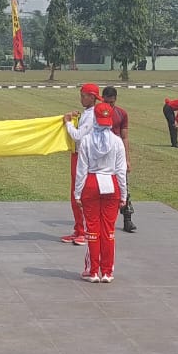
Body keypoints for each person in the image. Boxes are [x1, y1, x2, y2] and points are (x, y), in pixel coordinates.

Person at [71, 101, 128, 283]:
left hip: (92, 183)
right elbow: (121, 171)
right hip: (111, 184)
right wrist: (124, 195)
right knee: (108, 231)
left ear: (95, 118)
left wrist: (77, 193)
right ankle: (107, 272)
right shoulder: (117, 141)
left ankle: (93, 270)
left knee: (92, 230)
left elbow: (81, 169)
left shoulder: (87, 140)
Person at [60, 83, 101, 245]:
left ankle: (84, 231)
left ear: (92, 97)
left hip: (84, 157)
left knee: (79, 194)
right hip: (78, 155)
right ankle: (79, 229)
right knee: (74, 194)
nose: (81, 98)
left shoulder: (91, 116)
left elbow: (78, 136)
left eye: (83, 95)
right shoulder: (87, 113)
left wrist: (68, 122)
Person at [101, 85, 135, 233]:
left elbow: (125, 137)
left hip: (118, 154)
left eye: (112, 103)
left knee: (123, 186)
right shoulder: (96, 113)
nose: (109, 106)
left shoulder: (121, 114)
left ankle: (127, 219)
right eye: (107, 102)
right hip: (102, 154)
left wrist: (127, 159)